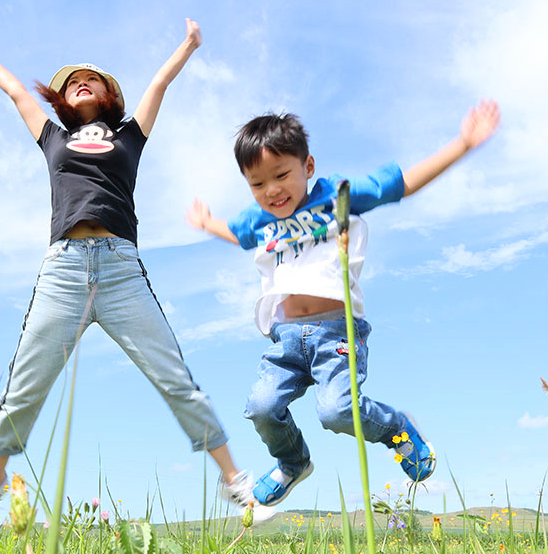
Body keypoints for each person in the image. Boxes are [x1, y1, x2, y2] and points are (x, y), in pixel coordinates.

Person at [0, 20, 255, 526]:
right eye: (72, 80)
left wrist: (186, 45)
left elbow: (158, 85)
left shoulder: (130, 137)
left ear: (109, 95)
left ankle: (237, 485)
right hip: (64, 271)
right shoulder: (52, 135)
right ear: (61, 96)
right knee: (26, 383)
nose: (81, 82)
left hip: (121, 271)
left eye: (92, 79)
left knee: (174, 378)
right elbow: (17, 96)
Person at [187, 101, 500, 511]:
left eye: (282, 175)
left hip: (336, 331)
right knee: (261, 408)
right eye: (257, 184)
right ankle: (292, 462)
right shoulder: (258, 218)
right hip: (284, 338)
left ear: (308, 166)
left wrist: (462, 144)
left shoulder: (336, 195)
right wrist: (208, 223)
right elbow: (238, 234)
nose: (272, 191)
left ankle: (397, 430)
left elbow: (401, 185)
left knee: (336, 412)